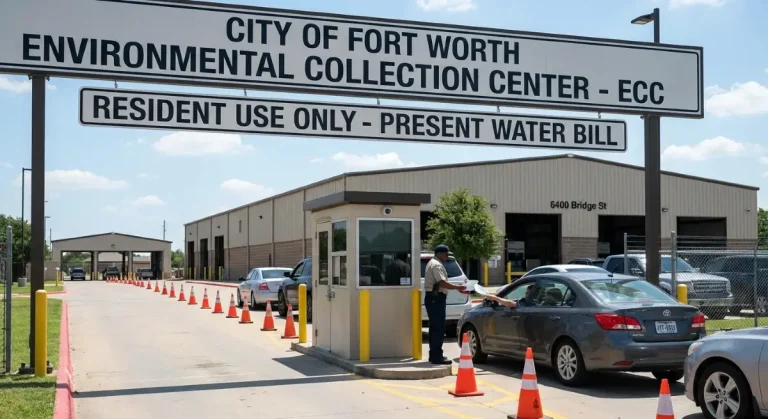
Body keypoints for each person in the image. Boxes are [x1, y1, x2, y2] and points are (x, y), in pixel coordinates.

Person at [424, 244, 467, 365]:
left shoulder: (433, 263)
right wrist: (458, 287)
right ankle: (437, 357)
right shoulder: (436, 265)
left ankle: (434, 355)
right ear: (440, 254)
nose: (447, 256)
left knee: (434, 328)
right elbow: (442, 283)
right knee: (438, 328)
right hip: (436, 298)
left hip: (433, 298)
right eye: (446, 254)